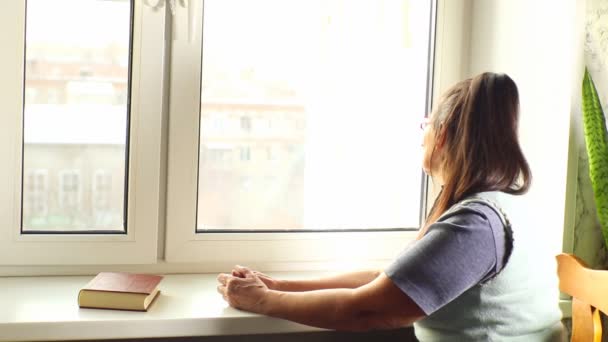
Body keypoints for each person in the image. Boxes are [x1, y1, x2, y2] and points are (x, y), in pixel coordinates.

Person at [216, 72, 565, 341]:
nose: (422, 135)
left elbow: (366, 310)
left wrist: (263, 302)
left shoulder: (474, 226)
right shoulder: (503, 208)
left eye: (425, 125)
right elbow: (391, 281)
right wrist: (278, 286)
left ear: (441, 135)